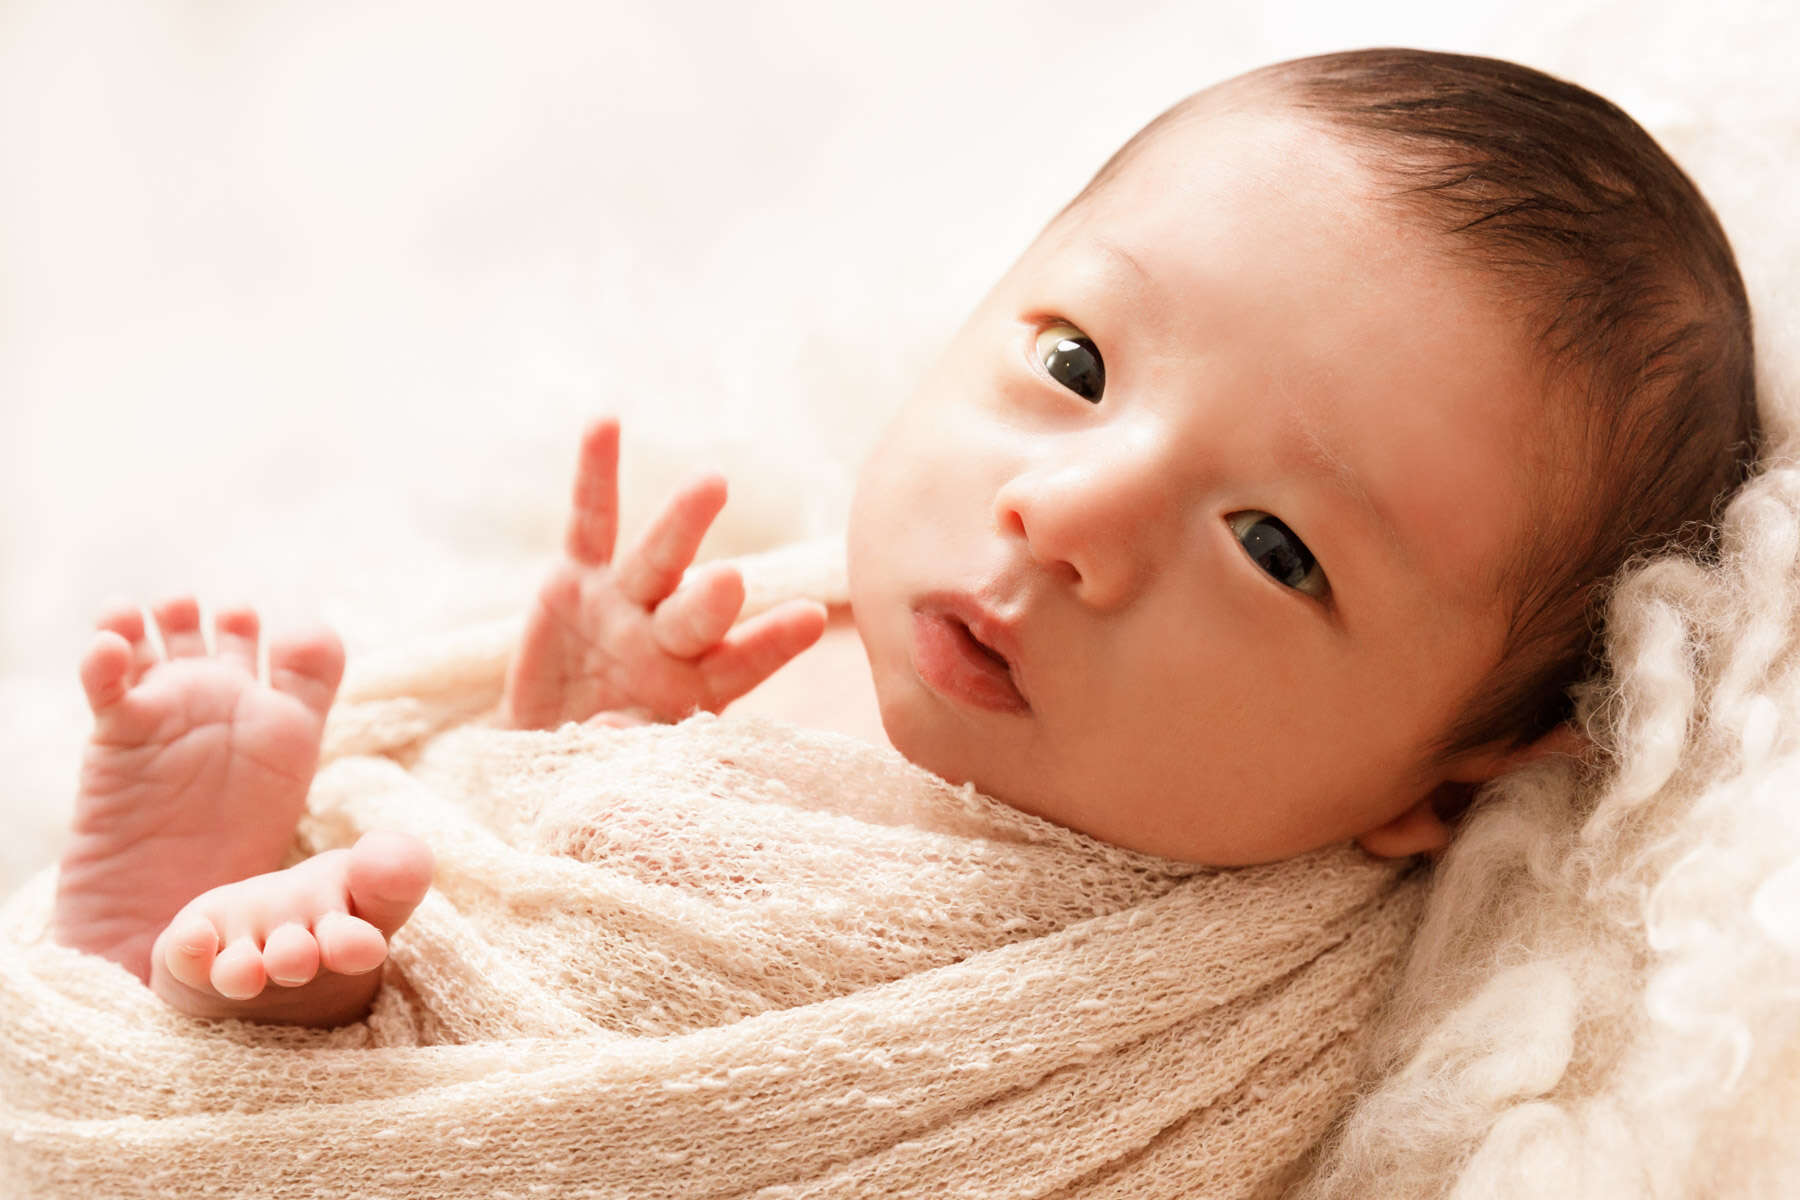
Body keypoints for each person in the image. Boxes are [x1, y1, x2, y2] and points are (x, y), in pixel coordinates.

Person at [46, 48, 1758, 1030]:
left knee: (374, 993)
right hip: (420, 948)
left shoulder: (1182, 1004)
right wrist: (566, 733)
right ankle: (191, 961)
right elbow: (562, 879)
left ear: (1442, 790)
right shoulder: (798, 631)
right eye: (1078, 366)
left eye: (1277, 547)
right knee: (395, 887)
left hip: (520, 1102)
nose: (1066, 515)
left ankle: (250, 1010)